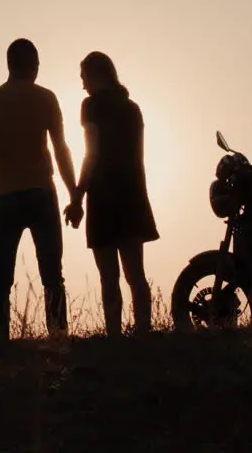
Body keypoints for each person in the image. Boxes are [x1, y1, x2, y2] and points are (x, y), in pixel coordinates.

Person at [0, 38, 79, 343]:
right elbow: (60, 149)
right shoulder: (46, 98)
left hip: (4, 196)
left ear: (9, 64)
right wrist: (74, 194)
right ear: (33, 65)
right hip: (42, 192)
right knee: (52, 273)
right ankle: (58, 334)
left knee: (1, 276)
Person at [64, 51, 160, 338]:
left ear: (95, 74)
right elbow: (139, 156)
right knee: (136, 275)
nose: (82, 84)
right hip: (132, 193)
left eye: (83, 77)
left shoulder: (90, 107)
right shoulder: (133, 108)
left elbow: (91, 153)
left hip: (104, 196)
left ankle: (114, 335)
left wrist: (78, 195)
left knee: (109, 276)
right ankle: (144, 330)